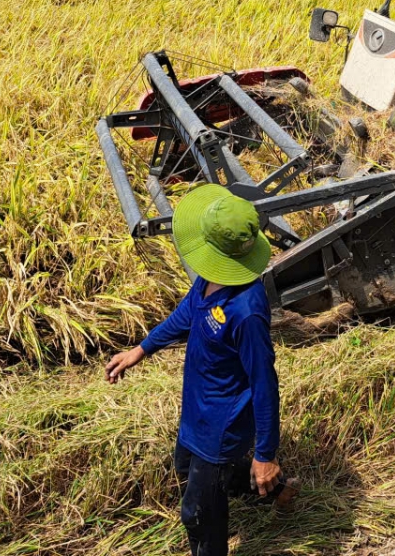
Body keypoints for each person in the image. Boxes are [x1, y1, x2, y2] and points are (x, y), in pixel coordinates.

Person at [105, 185, 296, 556]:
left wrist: (266, 453)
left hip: (222, 423)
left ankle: (253, 487)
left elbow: (264, 386)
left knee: (196, 514)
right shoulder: (211, 279)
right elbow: (187, 314)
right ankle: (278, 489)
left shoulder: (246, 313)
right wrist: (141, 349)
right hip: (197, 406)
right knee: (185, 466)